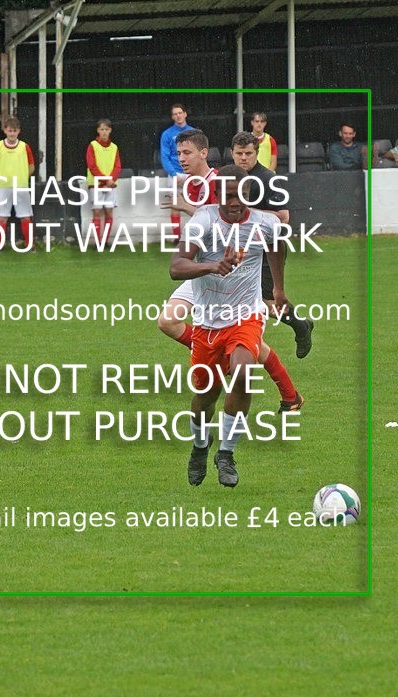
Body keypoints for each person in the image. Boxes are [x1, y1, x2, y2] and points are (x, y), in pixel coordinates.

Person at [158, 129, 303, 414]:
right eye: (178, 154)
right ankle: (215, 351)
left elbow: (220, 216)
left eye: (186, 153)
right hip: (203, 270)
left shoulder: (220, 180)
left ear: (203, 153)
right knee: (167, 322)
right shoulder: (192, 182)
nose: (181, 159)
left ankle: (289, 393)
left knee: (249, 343)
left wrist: (183, 205)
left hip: (229, 269)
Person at [170, 165, 288, 488]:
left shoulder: (264, 222)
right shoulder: (204, 221)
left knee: (242, 372)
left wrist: (277, 288)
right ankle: (199, 447)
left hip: (246, 316)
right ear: (218, 195)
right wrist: (212, 265)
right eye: (229, 196)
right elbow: (176, 267)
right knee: (205, 398)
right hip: (208, 321)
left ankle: (226, 453)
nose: (236, 202)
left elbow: (278, 244)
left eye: (242, 196)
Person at [231, 131, 313, 361]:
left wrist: (247, 213)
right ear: (232, 153)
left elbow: (283, 216)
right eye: (239, 153)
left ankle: (300, 327)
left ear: (257, 153)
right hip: (240, 250)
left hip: (268, 248)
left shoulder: (268, 179)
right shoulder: (229, 177)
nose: (243, 158)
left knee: (267, 302)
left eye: (248, 153)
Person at [0, 115, 36, 250]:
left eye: (14, 131)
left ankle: (30, 245)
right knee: (2, 217)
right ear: (5, 131)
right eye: (9, 130)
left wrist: (22, 177)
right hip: (3, 187)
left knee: (25, 217)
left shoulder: (25, 147)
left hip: (21, 187)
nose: (12, 133)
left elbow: (31, 166)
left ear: (19, 131)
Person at [159, 103, 194, 237]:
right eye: (175, 114)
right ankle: (177, 238)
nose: (178, 116)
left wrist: (192, 173)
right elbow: (165, 156)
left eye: (180, 113)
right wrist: (174, 175)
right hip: (175, 175)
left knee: (195, 205)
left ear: (185, 114)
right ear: (172, 117)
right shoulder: (167, 134)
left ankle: (196, 234)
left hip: (191, 174)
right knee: (175, 206)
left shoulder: (193, 132)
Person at [86, 118, 122, 246]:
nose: (104, 132)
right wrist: (107, 180)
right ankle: (97, 241)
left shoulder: (114, 147)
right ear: (97, 131)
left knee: (109, 211)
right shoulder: (93, 145)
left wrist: (111, 179)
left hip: (110, 185)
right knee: (96, 212)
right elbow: (92, 166)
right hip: (96, 185)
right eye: (102, 129)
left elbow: (117, 166)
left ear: (110, 130)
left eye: (106, 129)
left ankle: (105, 241)